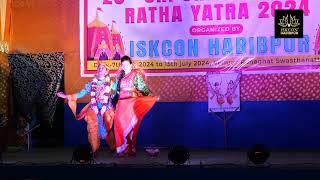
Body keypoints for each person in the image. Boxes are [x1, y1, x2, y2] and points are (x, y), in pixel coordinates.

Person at [57, 64, 115, 154]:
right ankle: (94, 148)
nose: (100, 69)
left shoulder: (111, 83)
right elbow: (80, 94)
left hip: (106, 107)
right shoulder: (91, 83)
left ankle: (112, 146)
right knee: (91, 124)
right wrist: (65, 96)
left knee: (108, 124)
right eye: (99, 68)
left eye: (103, 68)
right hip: (94, 107)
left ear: (106, 71)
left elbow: (120, 90)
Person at [111, 55, 158, 157]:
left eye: (127, 64)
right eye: (123, 64)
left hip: (131, 103)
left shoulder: (135, 75)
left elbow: (142, 87)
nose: (125, 66)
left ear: (131, 65)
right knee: (118, 125)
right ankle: (121, 149)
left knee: (131, 128)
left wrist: (151, 96)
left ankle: (130, 148)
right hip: (121, 104)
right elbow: (115, 90)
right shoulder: (119, 77)